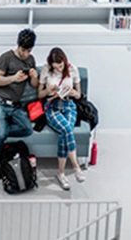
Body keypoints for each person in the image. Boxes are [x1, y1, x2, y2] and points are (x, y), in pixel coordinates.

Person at [0, 28, 38, 187]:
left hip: (17, 106)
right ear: (18, 45)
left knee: (27, 130)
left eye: (29, 50)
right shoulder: (6, 58)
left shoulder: (30, 60)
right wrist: (13, 78)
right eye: (23, 50)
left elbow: (34, 86)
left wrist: (34, 77)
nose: (26, 54)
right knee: (2, 133)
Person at [37, 47, 85, 190]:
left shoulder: (73, 69)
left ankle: (61, 174)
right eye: (55, 66)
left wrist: (71, 91)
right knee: (67, 129)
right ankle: (76, 168)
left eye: (60, 66)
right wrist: (48, 90)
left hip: (68, 105)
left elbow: (79, 95)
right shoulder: (46, 69)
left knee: (65, 132)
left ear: (64, 62)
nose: (58, 69)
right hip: (52, 106)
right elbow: (39, 95)